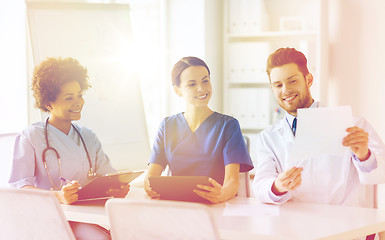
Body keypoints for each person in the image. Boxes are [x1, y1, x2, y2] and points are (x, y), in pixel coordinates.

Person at [9, 57, 129, 240]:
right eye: (69, 98)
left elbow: (107, 176)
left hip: (84, 217)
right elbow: (20, 188)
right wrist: (58, 196)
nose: (78, 102)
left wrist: (117, 188)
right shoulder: (30, 136)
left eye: (80, 95)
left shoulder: (88, 136)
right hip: (48, 218)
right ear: (48, 104)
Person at [252, 47, 385, 206]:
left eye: (292, 81)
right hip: (297, 225)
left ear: (308, 80)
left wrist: (364, 155)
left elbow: (381, 173)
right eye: (278, 85)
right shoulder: (268, 138)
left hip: (347, 225)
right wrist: (278, 186)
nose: (286, 90)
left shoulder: (353, 125)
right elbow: (260, 184)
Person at [144, 56, 253, 203]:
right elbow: (151, 178)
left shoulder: (228, 125)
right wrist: (150, 188)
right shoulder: (167, 126)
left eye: (205, 81)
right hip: (175, 205)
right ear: (178, 91)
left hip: (213, 207)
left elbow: (232, 182)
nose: (201, 88)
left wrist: (222, 195)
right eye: (192, 84)